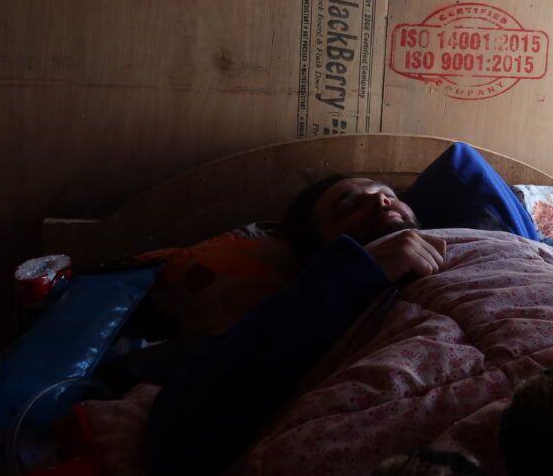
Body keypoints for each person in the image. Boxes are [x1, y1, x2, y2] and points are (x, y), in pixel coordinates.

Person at [144, 175, 447, 476]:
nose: (380, 200)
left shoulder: (478, 237)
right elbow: (180, 433)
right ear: (320, 253)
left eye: (388, 192)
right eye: (350, 206)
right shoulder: (292, 314)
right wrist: (352, 271)